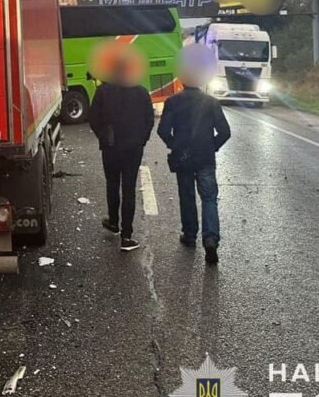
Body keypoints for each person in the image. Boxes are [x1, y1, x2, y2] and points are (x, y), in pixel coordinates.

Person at [157, 63, 231, 266]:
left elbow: (163, 130)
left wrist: (174, 145)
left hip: (183, 158)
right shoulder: (211, 102)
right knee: (209, 198)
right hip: (205, 157)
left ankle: (190, 235)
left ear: (182, 80)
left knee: (187, 196)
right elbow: (225, 132)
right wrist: (212, 146)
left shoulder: (172, 102)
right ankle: (211, 238)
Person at [88, 60, 155, 251]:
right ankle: (127, 235)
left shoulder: (103, 91)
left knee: (112, 184)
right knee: (129, 189)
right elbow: (149, 119)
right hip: (133, 148)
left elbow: (93, 118)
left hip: (111, 147)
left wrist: (103, 136)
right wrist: (141, 139)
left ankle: (113, 222)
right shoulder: (141, 92)